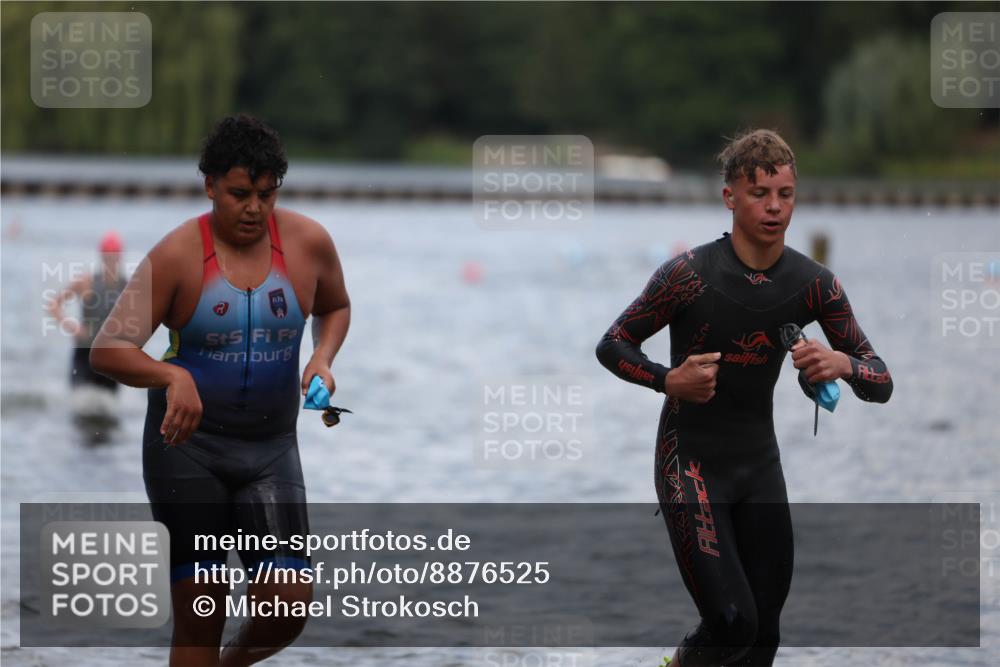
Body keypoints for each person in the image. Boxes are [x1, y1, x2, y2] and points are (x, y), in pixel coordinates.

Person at [596, 129, 892, 667]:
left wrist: (843, 364)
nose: (774, 207)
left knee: (764, 637)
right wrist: (668, 380)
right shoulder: (687, 276)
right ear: (730, 197)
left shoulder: (815, 285)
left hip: (759, 467)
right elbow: (612, 343)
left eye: (785, 194)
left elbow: (881, 381)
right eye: (760, 194)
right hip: (690, 464)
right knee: (733, 625)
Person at [91, 114, 351, 666]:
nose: (254, 208)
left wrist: (322, 359)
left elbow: (335, 306)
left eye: (266, 194)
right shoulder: (176, 255)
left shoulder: (308, 244)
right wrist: (172, 375)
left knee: (287, 608)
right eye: (239, 194)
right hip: (187, 449)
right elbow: (108, 349)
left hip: (271, 450)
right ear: (210, 185)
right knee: (200, 615)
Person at [48, 231, 127, 393]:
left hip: (111, 356)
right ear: (101, 257)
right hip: (85, 351)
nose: (110, 262)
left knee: (108, 403)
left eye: (114, 258)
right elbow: (54, 304)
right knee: (79, 399)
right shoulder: (86, 282)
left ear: (120, 258)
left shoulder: (127, 286)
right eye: (107, 258)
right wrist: (72, 327)